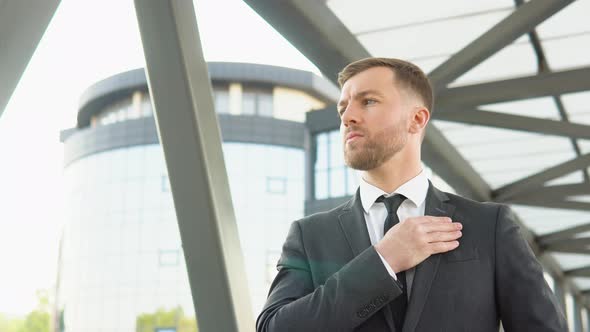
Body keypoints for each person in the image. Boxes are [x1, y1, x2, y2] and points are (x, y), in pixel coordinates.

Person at [256, 57, 567, 332]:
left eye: (368, 101)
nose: (347, 116)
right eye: (343, 106)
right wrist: (382, 260)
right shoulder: (309, 235)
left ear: (417, 119)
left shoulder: (490, 226)